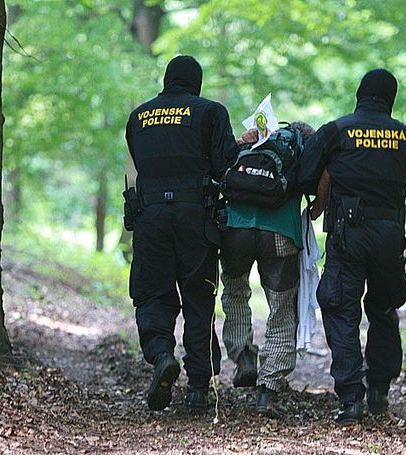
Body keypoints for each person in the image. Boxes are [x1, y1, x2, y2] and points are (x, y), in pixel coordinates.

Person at [297, 69, 406, 425]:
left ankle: (351, 399)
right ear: (390, 98)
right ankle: (379, 388)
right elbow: (402, 176)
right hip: (389, 234)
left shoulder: (336, 130)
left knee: (340, 309)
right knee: (383, 309)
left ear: (359, 94)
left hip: (348, 233)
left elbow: (306, 174)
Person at [124, 55, 237, 411]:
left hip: (150, 216)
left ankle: (160, 355)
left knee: (152, 293)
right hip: (195, 216)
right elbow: (226, 165)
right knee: (198, 298)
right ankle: (198, 389)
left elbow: (142, 163)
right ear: (196, 82)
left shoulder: (138, 117)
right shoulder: (211, 112)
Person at [220, 122, 315, 415]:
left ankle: (243, 357)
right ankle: (267, 390)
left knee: (235, 293)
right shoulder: (299, 149)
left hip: (235, 229)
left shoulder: (253, 143)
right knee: (281, 307)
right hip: (280, 233)